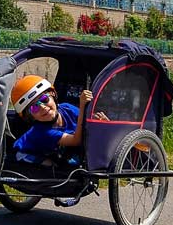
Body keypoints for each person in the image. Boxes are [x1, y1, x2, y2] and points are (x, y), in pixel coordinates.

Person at [10, 75, 108, 206]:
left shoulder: (66, 108)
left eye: (44, 99)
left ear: (53, 95)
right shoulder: (43, 132)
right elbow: (76, 140)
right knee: (50, 166)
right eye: (34, 108)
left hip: (54, 149)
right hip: (26, 152)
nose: (43, 107)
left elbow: (84, 122)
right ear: (30, 116)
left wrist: (100, 121)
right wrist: (82, 106)